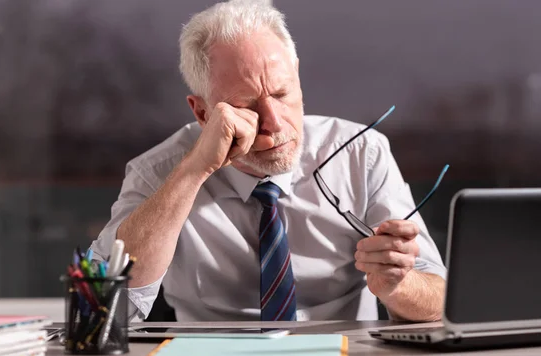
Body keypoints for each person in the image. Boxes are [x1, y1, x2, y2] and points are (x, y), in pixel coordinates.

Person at [90, 0, 446, 322]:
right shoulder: (157, 172)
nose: (274, 123)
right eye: (245, 106)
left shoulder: (360, 154)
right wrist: (195, 170)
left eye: (281, 93)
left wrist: (399, 286)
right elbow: (102, 309)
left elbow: (440, 298)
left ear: (298, 78)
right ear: (202, 112)